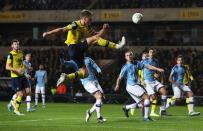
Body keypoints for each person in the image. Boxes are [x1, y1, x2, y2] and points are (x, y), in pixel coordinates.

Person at [42, 9, 126, 86]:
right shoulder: (75, 24)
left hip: (77, 53)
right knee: (95, 39)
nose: (91, 21)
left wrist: (104, 29)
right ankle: (117, 46)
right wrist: (48, 33)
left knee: (84, 73)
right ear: (85, 18)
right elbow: (62, 30)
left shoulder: (87, 27)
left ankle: (66, 77)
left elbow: (98, 35)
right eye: (90, 19)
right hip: (73, 48)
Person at [114, 51, 164, 121]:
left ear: (132, 56)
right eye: (127, 55)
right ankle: (146, 117)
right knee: (147, 97)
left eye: (130, 55)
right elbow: (119, 78)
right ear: (125, 57)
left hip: (135, 85)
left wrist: (157, 69)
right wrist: (117, 85)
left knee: (142, 104)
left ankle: (126, 108)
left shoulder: (136, 63)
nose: (129, 56)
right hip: (132, 86)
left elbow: (148, 66)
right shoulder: (125, 67)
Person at [60, 57, 106, 123]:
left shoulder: (88, 59)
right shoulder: (74, 61)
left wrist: (99, 71)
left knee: (102, 99)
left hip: (95, 81)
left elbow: (96, 66)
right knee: (99, 96)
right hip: (86, 82)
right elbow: (64, 63)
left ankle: (89, 112)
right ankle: (99, 117)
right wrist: (61, 57)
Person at [142, 48, 169, 116]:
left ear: (154, 53)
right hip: (146, 81)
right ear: (148, 53)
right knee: (153, 97)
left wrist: (158, 76)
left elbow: (158, 73)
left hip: (154, 81)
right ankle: (138, 106)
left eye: (153, 52)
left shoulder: (156, 61)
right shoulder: (145, 60)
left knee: (164, 92)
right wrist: (158, 69)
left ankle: (162, 110)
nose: (152, 53)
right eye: (150, 52)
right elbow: (149, 67)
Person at [6, 39, 27, 115]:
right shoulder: (10, 55)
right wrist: (16, 70)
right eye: (15, 44)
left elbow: (21, 64)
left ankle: (12, 102)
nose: (17, 45)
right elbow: (7, 67)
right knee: (20, 94)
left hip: (22, 76)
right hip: (15, 77)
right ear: (12, 46)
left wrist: (25, 68)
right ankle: (16, 109)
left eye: (18, 44)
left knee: (25, 93)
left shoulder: (21, 53)